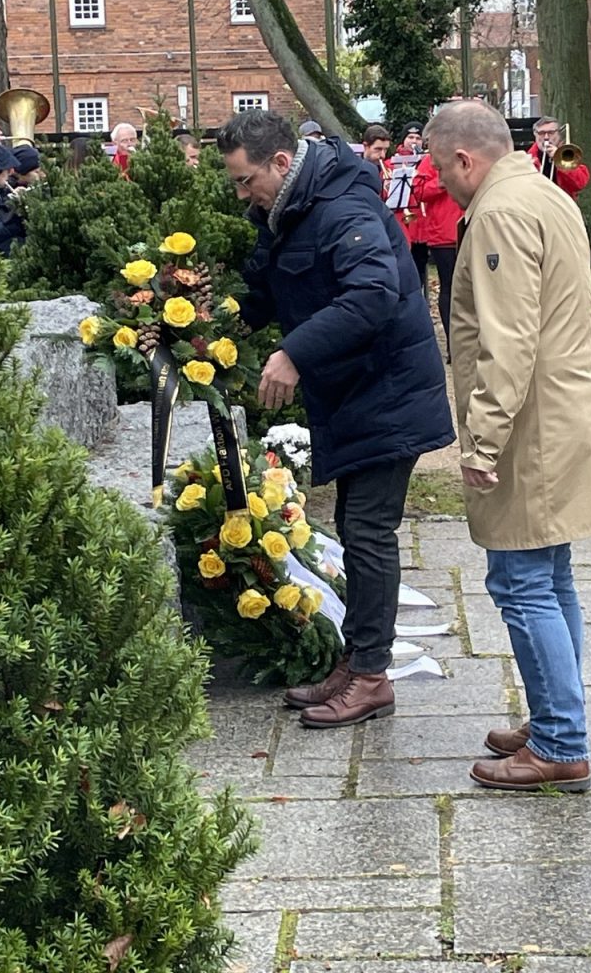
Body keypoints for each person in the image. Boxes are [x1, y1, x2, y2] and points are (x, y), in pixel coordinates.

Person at [217, 109, 454, 729]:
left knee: (369, 530)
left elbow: (372, 294)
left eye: (246, 181)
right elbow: (269, 288)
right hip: (358, 392)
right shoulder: (289, 209)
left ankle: (372, 677)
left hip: (387, 390)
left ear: (280, 163)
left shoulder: (341, 208)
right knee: (356, 526)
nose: (243, 194)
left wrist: (294, 353)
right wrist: (211, 322)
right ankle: (357, 662)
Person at [423, 100, 591, 792]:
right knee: (550, 574)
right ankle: (552, 721)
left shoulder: (502, 212)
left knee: (522, 583)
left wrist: (481, 440)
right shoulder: (539, 191)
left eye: (437, 167)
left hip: (528, 428)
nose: (438, 183)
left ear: (463, 159)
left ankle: (561, 742)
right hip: (556, 413)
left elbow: (507, 339)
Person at [412, 150, 463, 363]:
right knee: (449, 287)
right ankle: (454, 346)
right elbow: (419, 191)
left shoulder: (468, 156)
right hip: (443, 234)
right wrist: (443, 182)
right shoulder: (430, 160)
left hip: (470, 227)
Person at [388, 121, 429, 295]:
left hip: (421, 223)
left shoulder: (426, 161)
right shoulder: (392, 164)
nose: (414, 141)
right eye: (410, 137)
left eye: (418, 138)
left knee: (419, 266)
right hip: (401, 224)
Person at [528, 115, 590, 201]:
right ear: (535, 135)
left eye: (551, 133)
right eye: (541, 133)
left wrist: (559, 158)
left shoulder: (568, 155)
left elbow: (580, 183)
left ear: (559, 135)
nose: (546, 137)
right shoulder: (527, 159)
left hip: (563, 208)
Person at [361, 124, 391, 199]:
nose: (383, 155)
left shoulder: (386, 168)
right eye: (378, 149)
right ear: (365, 146)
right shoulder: (355, 169)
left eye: (385, 149)